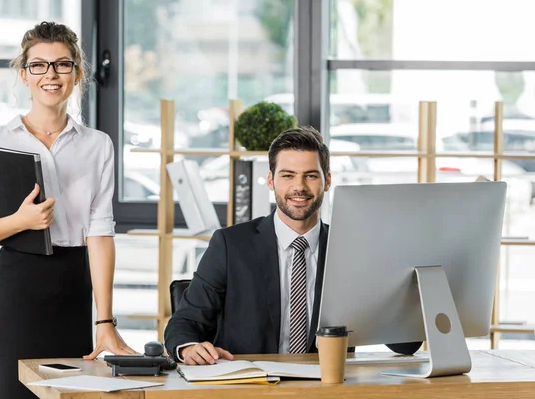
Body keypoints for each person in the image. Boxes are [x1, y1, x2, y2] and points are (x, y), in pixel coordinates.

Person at [0, 21, 136, 399]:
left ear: (77, 73)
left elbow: (100, 233)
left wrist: (105, 321)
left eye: (62, 64)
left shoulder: (98, 146)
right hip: (15, 291)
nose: (50, 75)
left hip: (73, 291)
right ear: (24, 74)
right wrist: (20, 221)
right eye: (38, 65)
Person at [164, 126, 421, 365]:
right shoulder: (230, 245)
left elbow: (406, 344)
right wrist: (188, 348)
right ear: (271, 180)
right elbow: (185, 323)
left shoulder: (352, 249)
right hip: (249, 386)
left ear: (327, 181)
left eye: (310, 176)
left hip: (324, 389)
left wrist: (396, 270)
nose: (299, 187)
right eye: (288, 176)